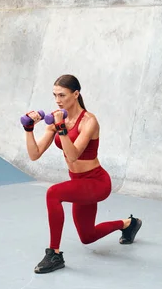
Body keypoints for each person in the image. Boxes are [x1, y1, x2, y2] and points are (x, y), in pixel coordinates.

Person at [23, 74, 142, 274]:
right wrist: (28, 129)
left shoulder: (89, 121)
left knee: (53, 193)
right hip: (79, 183)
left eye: (62, 95)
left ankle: (54, 254)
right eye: (55, 95)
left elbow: (73, 154)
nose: (58, 100)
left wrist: (61, 127)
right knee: (88, 236)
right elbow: (34, 154)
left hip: (96, 182)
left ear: (76, 94)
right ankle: (129, 224)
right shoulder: (57, 120)